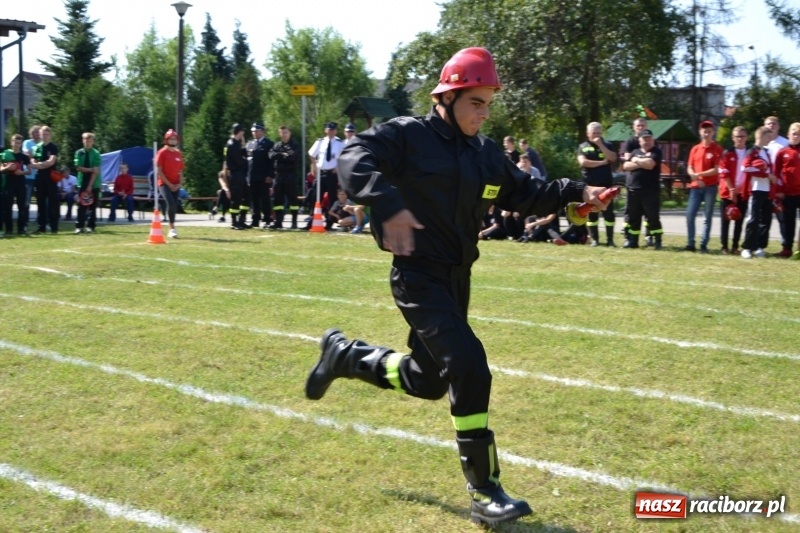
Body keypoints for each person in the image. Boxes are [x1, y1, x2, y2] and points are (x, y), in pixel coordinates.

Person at [304, 47, 608, 527]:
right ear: (446, 97)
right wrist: (386, 202)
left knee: (428, 381)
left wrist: (578, 195)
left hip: (457, 278)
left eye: (488, 104)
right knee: (470, 366)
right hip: (417, 275)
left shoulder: (486, 153)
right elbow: (355, 157)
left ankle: (345, 356)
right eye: (476, 103)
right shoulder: (407, 135)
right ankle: (485, 491)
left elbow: (526, 193)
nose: (483, 114)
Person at [621, 129, 663, 249]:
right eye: (644, 139)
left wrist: (635, 161)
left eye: (649, 139)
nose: (647, 141)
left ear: (652, 140)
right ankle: (633, 241)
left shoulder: (656, 151)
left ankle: (658, 241)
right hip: (634, 190)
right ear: (639, 141)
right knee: (634, 217)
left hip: (650, 190)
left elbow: (650, 165)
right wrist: (641, 163)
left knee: (652, 216)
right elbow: (625, 166)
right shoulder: (635, 151)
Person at [684, 120, 723, 252]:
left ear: (713, 133)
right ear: (700, 132)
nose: (706, 134)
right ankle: (690, 243)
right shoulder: (695, 149)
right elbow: (689, 166)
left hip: (710, 187)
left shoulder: (717, 149)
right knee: (690, 214)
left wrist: (699, 175)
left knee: (707, 216)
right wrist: (692, 175)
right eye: (704, 131)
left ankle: (703, 244)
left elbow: (717, 169)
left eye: (709, 132)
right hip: (695, 187)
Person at [577, 121, 617, 247]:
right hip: (589, 186)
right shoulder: (582, 146)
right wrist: (602, 163)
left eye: (599, 133)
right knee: (592, 213)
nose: (596, 135)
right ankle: (595, 240)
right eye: (594, 133)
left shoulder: (608, 145)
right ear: (588, 133)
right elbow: (583, 163)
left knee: (608, 214)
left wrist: (601, 145)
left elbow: (612, 158)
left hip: (606, 186)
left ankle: (610, 240)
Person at [740, 126, 776, 258]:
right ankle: (747, 248)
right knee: (753, 219)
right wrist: (765, 174)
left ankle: (760, 247)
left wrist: (771, 176)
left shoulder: (766, 152)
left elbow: (768, 170)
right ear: (761, 136)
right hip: (755, 190)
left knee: (766, 220)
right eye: (768, 136)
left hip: (767, 190)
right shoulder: (752, 151)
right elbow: (745, 168)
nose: (770, 139)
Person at [718, 126, 749, 255]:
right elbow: (723, 172)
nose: (739, 139)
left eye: (742, 136)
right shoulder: (727, 153)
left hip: (743, 192)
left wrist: (740, 189)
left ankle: (735, 247)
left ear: (746, 137)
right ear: (732, 138)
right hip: (727, 192)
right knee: (726, 220)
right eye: (737, 136)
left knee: (739, 220)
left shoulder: (750, 153)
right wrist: (731, 189)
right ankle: (724, 247)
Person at [308, 121, 345, 221]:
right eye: (329, 129)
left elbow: (344, 157)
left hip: (332, 173)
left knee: (332, 197)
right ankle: (313, 218)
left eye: (332, 130)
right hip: (321, 173)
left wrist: (338, 167)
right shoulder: (320, 141)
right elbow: (311, 154)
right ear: (325, 130)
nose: (331, 131)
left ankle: (330, 220)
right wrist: (314, 165)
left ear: (336, 131)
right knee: (316, 196)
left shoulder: (340, 143)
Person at [774, 122, 800, 258]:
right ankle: (787, 249)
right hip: (787, 194)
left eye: (799, 134)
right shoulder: (782, 152)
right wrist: (778, 190)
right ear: (789, 135)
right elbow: (776, 173)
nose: (796, 136)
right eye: (794, 134)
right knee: (787, 222)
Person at [268, 125, 300, 230]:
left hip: (290, 175)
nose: (284, 135)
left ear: (289, 133)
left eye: (285, 132)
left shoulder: (294, 145)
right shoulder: (277, 145)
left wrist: (279, 155)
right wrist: (282, 154)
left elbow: (291, 157)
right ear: (279, 134)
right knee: (278, 200)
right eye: (282, 133)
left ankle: (294, 222)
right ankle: (278, 221)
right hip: (279, 176)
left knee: (293, 200)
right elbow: (271, 155)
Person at [155, 129, 185, 238]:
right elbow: (160, 170)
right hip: (164, 183)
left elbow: (181, 170)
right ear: (166, 140)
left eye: (174, 139)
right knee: (171, 203)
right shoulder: (162, 152)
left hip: (176, 184)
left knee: (174, 205)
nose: (173, 141)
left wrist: (180, 183)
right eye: (171, 139)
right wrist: (169, 184)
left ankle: (172, 226)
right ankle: (172, 228)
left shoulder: (178, 153)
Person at [31, 125, 60, 234]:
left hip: (51, 178)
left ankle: (54, 228)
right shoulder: (37, 147)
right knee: (40, 203)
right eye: (43, 134)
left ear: (50, 135)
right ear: (40, 135)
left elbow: (51, 162)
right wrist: (41, 165)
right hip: (40, 178)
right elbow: (32, 160)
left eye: (47, 134)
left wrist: (38, 165)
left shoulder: (53, 147)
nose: (45, 136)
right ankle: (41, 227)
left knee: (53, 203)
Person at [1, 134, 32, 236]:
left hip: (21, 184)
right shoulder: (5, 154)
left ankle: (21, 229)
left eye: (19, 143)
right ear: (11, 142)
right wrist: (7, 168)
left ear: (21, 144)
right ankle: (8, 230)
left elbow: (29, 170)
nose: (16, 145)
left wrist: (22, 173)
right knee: (7, 207)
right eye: (15, 142)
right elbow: (0, 169)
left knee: (22, 207)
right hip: (9, 183)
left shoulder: (24, 157)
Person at [247, 123, 274, 229]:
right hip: (252, 175)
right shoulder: (250, 144)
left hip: (263, 176)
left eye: (256, 131)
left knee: (265, 198)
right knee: (254, 199)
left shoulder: (268, 144)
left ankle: (267, 219)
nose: (254, 133)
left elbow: (271, 162)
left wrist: (270, 175)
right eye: (253, 131)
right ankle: (255, 219)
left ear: (262, 131)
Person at [73, 132, 102, 234]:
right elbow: (78, 167)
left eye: (90, 141)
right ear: (83, 141)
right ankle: (79, 226)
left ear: (93, 142)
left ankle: (91, 226)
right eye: (86, 141)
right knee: (81, 205)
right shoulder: (79, 153)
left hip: (94, 182)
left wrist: (90, 185)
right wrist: (90, 169)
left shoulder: (96, 154)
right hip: (82, 181)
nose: (88, 143)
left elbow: (96, 171)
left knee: (92, 206)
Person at [224, 123, 250, 230]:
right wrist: (245, 161)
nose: (243, 133)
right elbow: (240, 161)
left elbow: (245, 155)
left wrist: (243, 145)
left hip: (240, 174)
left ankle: (241, 220)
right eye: (242, 131)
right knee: (237, 198)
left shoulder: (236, 143)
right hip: (235, 174)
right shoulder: (231, 144)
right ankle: (234, 222)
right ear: (238, 132)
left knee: (247, 196)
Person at [22, 125, 40, 208]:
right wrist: (36, 157)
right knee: (26, 198)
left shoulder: (42, 144)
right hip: (29, 175)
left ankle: (41, 219)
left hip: (40, 175)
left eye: (39, 132)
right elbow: (26, 153)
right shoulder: (27, 142)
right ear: (32, 133)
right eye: (36, 132)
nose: (38, 133)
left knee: (41, 198)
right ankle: (25, 219)